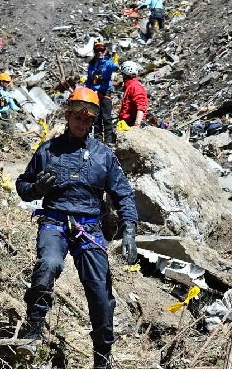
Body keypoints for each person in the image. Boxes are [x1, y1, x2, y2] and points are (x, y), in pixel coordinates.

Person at [15, 86, 138, 368]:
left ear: (93, 121)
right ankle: (34, 329)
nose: (82, 124)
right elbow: (22, 185)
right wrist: (36, 188)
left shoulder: (103, 156)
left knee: (100, 294)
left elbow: (124, 194)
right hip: (54, 222)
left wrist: (130, 229)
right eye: (77, 118)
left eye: (88, 120)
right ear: (68, 115)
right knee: (48, 264)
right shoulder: (48, 150)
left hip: (90, 228)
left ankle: (102, 356)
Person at [84, 42, 119, 144]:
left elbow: (114, 67)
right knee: (96, 118)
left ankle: (108, 141)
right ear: (94, 52)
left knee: (107, 117)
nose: (100, 52)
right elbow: (89, 80)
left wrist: (115, 64)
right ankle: (98, 141)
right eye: (97, 50)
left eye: (102, 50)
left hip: (105, 92)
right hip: (94, 93)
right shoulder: (91, 65)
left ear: (104, 51)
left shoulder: (107, 62)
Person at [118, 61, 148, 128]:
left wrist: (137, 124)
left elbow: (141, 106)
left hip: (132, 123)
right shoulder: (130, 85)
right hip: (127, 123)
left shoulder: (134, 86)